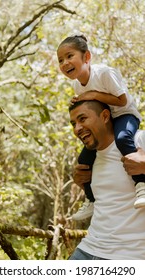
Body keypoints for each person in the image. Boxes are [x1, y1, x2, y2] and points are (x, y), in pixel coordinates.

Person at [57, 34, 145, 220]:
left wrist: (93, 95)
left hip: (124, 114)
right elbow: (91, 106)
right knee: (83, 158)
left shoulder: (104, 73)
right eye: (60, 60)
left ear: (87, 57)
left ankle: (142, 184)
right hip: (107, 119)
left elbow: (122, 100)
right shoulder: (76, 85)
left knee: (122, 139)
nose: (65, 63)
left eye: (69, 56)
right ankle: (91, 200)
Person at [69, 100, 145, 260]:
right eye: (73, 123)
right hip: (88, 249)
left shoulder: (138, 141)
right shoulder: (89, 159)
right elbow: (113, 200)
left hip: (130, 256)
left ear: (104, 116)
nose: (77, 129)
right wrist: (83, 185)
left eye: (82, 119)